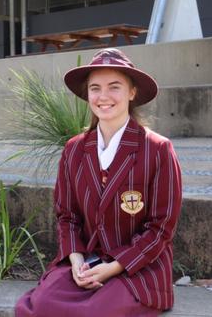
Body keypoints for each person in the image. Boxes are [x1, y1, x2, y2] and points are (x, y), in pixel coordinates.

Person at [15, 48, 182, 316]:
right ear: (87, 95)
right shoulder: (74, 149)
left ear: (132, 92)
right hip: (88, 258)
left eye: (114, 87)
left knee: (97, 311)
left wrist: (114, 266)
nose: (103, 97)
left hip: (138, 266)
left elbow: (161, 227)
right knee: (41, 305)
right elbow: (67, 216)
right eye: (95, 88)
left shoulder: (158, 149)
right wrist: (77, 260)